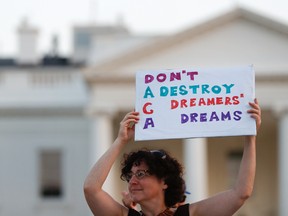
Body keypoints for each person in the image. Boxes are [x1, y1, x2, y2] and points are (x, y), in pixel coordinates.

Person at [84, 99, 261, 216]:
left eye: (141, 174)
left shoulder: (192, 213)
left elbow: (241, 193)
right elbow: (91, 188)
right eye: (130, 176)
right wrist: (120, 140)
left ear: (164, 181)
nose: (132, 182)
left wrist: (250, 138)